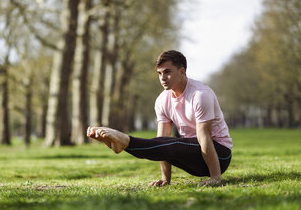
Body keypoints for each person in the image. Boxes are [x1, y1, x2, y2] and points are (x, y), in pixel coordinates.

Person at [87, 50, 232, 186]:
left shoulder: (200, 95)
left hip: (219, 156)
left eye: (167, 72)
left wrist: (215, 177)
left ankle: (126, 141)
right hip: (193, 158)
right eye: (159, 73)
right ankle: (124, 143)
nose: (162, 78)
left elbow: (204, 137)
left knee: (177, 143)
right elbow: (162, 140)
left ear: (182, 71)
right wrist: (165, 179)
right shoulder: (162, 100)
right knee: (166, 142)